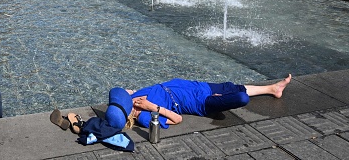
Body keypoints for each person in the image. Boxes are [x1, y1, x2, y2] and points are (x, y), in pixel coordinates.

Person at [122, 74, 292, 130]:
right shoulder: (144, 117)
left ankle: (272, 89)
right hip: (201, 103)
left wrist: (130, 94)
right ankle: (223, 100)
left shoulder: (132, 97)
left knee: (231, 87)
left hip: (194, 87)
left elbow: (124, 91)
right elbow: (177, 119)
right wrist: (151, 107)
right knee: (241, 97)